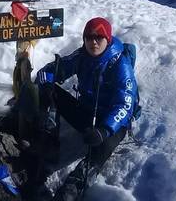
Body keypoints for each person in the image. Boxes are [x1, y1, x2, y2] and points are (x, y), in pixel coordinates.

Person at [32, 17, 138, 200]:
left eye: (99, 37)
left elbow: (125, 104)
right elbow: (51, 70)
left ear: (108, 39)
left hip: (112, 123)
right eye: (89, 37)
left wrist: (104, 130)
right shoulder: (82, 56)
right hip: (87, 111)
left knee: (102, 148)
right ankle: (48, 138)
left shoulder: (120, 65)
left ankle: (73, 187)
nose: (93, 42)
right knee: (49, 90)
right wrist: (47, 82)